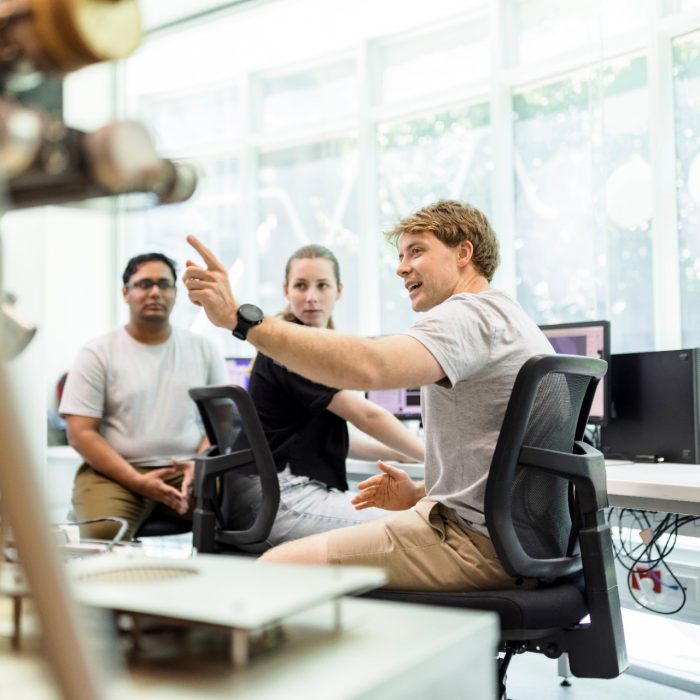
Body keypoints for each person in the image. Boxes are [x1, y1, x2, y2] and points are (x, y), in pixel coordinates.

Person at [183, 200, 553, 591]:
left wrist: (239, 319)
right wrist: (422, 490)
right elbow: (503, 467)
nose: (401, 267)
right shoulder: (509, 317)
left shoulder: (467, 316)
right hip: (509, 536)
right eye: (400, 255)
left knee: (275, 568)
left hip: (475, 541)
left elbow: (370, 366)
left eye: (417, 251)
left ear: (463, 253)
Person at [224, 244, 424, 546]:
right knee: (414, 529)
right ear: (286, 291)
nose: (311, 297)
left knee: (409, 521)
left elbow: (324, 439)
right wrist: (433, 457)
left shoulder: (300, 343)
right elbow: (368, 416)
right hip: (276, 497)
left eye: (322, 285)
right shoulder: (292, 348)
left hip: (272, 493)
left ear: (339, 290)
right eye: (301, 286)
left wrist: (399, 452)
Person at [60, 252, 228, 540]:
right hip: (113, 474)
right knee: (105, 533)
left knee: (239, 512)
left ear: (176, 293)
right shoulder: (98, 352)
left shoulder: (204, 349)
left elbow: (220, 422)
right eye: (144, 284)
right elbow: (80, 433)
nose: (155, 292)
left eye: (164, 284)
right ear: (126, 293)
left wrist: (199, 462)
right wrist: (136, 481)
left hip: (186, 469)